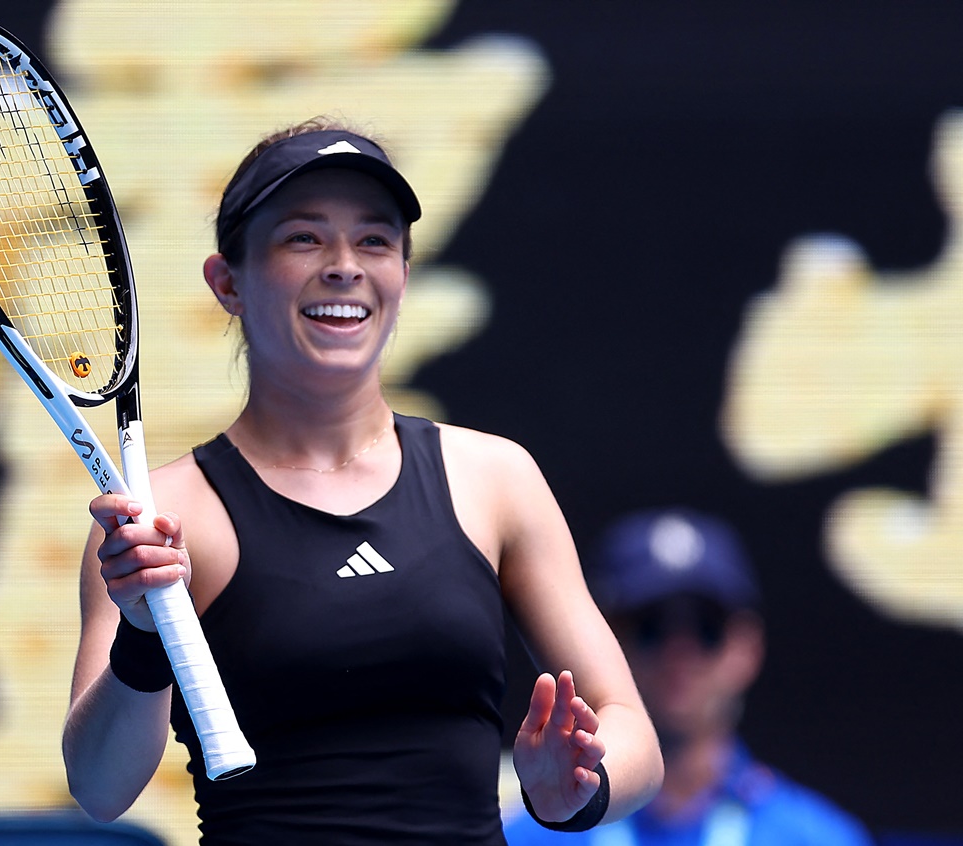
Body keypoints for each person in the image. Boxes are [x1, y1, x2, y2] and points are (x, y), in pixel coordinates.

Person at [61, 116, 663, 844]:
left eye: (374, 240)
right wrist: (141, 636)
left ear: (403, 277)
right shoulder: (159, 518)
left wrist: (577, 789)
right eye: (304, 238)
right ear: (228, 282)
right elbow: (99, 788)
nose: (345, 264)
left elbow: (631, 732)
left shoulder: (495, 477)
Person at [504, 507, 875, 846]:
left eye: (706, 627)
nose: (678, 652)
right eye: (651, 626)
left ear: (747, 649)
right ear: (603, 642)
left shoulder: (822, 839)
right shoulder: (524, 840)